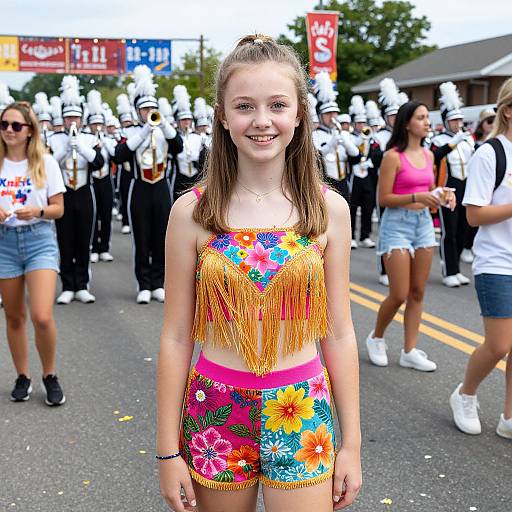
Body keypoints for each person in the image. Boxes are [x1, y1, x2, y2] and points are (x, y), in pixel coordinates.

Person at [157, 35, 361, 512]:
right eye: (245, 106)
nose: (262, 121)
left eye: (277, 105)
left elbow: (338, 331)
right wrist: (168, 451)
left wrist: (351, 443)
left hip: (303, 407)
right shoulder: (191, 213)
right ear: (223, 117)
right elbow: (175, 337)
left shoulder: (328, 209)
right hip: (215, 407)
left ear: (299, 114)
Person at [366, 101, 456, 372]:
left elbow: (430, 188)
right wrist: (417, 196)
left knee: (417, 291)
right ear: (407, 124)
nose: (427, 122)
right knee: (399, 293)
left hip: (423, 224)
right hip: (397, 225)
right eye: (421, 117)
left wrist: (444, 194)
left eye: (428, 117)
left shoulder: (429, 156)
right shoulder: (392, 156)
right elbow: (384, 198)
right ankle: (377, 337)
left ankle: (409, 350)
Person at [449, 78, 512, 439]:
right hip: (497, 262)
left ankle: (509, 416)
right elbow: (474, 214)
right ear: (507, 110)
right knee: (500, 344)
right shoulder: (491, 153)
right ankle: (465, 393)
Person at [0, 101, 66, 405]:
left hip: (38, 238)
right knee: (14, 316)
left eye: (15, 125)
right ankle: (23, 376)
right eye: (3, 125)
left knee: (41, 315)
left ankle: (49, 375)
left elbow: (58, 209)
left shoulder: (45, 162)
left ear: (29, 131)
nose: (8, 131)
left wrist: (36, 210)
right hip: (5, 243)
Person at [114, 65, 183, 304]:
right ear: (137, 112)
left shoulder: (166, 130)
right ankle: (143, 284)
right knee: (141, 237)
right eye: (144, 109)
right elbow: (120, 154)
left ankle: (158, 282)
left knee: (162, 237)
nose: (148, 112)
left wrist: (162, 125)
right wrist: (144, 131)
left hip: (161, 186)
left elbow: (178, 147)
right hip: (139, 187)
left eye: (151, 109)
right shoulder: (130, 131)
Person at [49, 75, 104, 305]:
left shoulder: (89, 139)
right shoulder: (54, 138)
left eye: (76, 117)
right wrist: (63, 151)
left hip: (84, 191)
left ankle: (82, 284)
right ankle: (68, 285)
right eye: (69, 117)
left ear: (82, 119)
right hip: (64, 193)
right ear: (63, 118)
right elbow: (49, 164)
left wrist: (80, 147)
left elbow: (99, 163)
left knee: (84, 239)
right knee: (65, 239)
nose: (72, 121)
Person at [430, 82, 475, 288]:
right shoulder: (438, 140)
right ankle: (449, 270)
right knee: (449, 230)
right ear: (446, 121)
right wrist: (453, 142)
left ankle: (455, 267)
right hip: (448, 188)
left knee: (462, 229)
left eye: (459, 119)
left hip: (465, 187)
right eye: (453, 120)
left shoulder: (467, 140)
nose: (458, 123)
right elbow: (434, 157)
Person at [312, 71, 359, 205]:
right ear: (321, 115)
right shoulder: (315, 135)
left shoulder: (341, 133)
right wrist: (331, 144)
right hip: (325, 183)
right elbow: (315, 157)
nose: (332, 116)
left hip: (343, 182)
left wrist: (347, 143)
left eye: (335, 113)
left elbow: (356, 158)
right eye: (328, 113)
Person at [348, 95, 378, 249]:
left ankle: (365, 235)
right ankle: (351, 236)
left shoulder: (369, 136)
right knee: (352, 206)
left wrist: (370, 160)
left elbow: (375, 151)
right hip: (355, 173)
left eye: (363, 122)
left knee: (368, 205)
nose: (362, 125)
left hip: (367, 174)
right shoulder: (351, 137)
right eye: (359, 123)